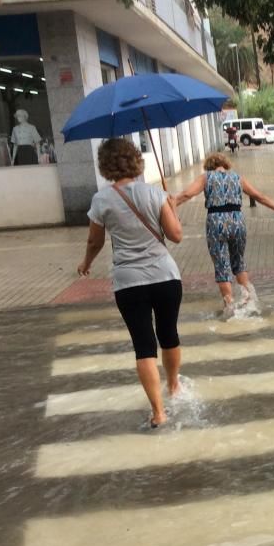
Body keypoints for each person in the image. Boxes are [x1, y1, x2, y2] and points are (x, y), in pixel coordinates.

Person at [76, 138, 184, 428]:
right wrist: (171, 206)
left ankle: (158, 412)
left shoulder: (101, 200)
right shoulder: (155, 193)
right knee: (168, 334)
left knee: (143, 345)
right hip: (165, 276)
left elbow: (94, 241)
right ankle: (173, 385)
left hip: (128, 282)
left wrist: (86, 263)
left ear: (106, 165)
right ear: (135, 160)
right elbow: (176, 236)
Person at [173, 151, 274, 311]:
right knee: (238, 262)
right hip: (238, 222)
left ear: (209, 166)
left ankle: (230, 306)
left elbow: (187, 194)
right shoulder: (238, 178)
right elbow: (260, 196)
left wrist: (169, 204)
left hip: (216, 222)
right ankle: (249, 301)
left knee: (221, 265)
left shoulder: (206, 177)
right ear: (225, 164)